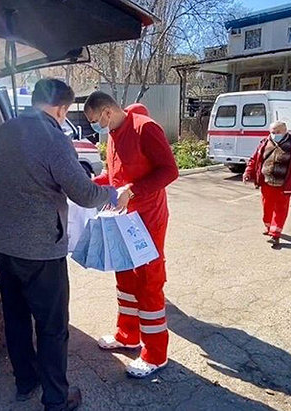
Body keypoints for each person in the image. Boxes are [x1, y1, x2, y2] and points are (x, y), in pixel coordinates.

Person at [0, 79, 118, 410]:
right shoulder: (54, 138)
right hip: (39, 250)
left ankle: (25, 382)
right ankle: (57, 399)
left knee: (15, 317)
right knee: (52, 326)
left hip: (2, 243)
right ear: (61, 109)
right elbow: (84, 194)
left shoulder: (5, 130)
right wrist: (113, 193)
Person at [83, 93, 179, 379]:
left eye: (94, 121)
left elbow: (169, 171)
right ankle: (127, 335)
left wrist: (133, 190)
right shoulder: (114, 132)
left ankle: (155, 355)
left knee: (148, 282)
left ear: (108, 112)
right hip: (123, 219)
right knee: (125, 277)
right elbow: (115, 176)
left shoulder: (145, 128)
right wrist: (88, 184)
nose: (95, 127)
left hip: (148, 220)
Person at [243, 121, 291, 249]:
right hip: (266, 182)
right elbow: (254, 159)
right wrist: (248, 172)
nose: (274, 134)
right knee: (267, 206)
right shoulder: (264, 142)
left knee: (280, 208)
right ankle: (268, 227)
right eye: (272, 132)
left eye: (277, 132)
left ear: (285, 131)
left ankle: (275, 234)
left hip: (284, 184)